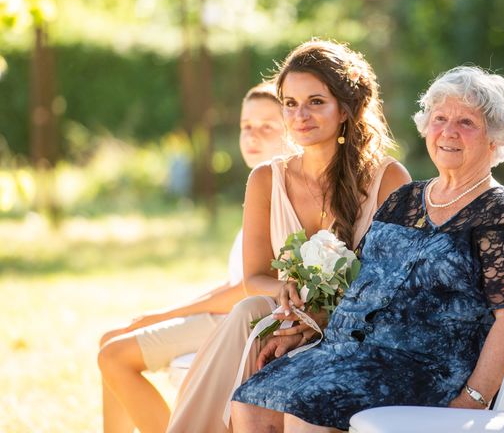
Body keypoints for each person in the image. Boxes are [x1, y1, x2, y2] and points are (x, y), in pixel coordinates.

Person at [230, 65, 504, 433]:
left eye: (466, 123)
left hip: (429, 368)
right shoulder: (406, 200)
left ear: (495, 138)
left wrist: (472, 398)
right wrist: (313, 329)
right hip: (357, 351)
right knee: (250, 401)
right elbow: (366, 287)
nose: (448, 132)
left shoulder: (499, 215)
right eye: (439, 118)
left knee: (307, 409)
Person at [166, 39, 411, 433]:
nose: (300, 115)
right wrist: (284, 292)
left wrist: (320, 318)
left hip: (355, 332)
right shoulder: (266, 178)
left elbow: (395, 288)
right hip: (284, 318)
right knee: (251, 310)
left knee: (251, 315)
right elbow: (254, 278)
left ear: (345, 109)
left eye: (316, 101)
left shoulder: (389, 179)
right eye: (290, 103)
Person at [97, 81, 290, 433]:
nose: (252, 136)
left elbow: (248, 290)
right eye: (246, 126)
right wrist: (175, 310)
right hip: (224, 314)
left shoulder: (285, 196)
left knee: (114, 354)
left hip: (239, 324)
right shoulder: (260, 185)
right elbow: (235, 279)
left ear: (291, 132)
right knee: (110, 341)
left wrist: (165, 315)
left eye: (267, 127)